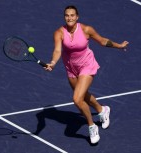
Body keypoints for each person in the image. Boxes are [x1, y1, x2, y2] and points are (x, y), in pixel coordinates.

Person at [45, 5, 129, 144]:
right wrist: (53, 62)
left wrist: (119, 46)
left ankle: (91, 126)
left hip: (86, 65)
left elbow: (102, 41)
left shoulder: (86, 29)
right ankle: (102, 110)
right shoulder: (59, 32)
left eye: (72, 15)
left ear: (77, 17)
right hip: (71, 68)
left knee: (77, 99)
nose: (69, 18)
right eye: (67, 15)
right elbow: (58, 51)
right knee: (83, 95)